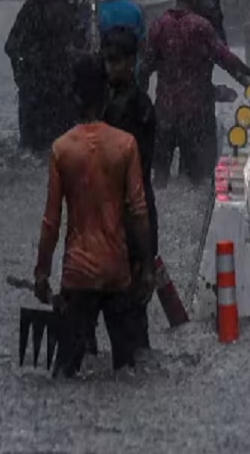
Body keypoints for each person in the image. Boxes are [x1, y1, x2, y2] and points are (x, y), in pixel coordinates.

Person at [33, 56, 155, 378]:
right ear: (105, 93)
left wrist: (42, 273)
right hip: (117, 271)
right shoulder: (125, 145)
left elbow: (51, 221)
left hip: (78, 275)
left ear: (74, 96)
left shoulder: (62, 149)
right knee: (128, 371)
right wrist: (145, 266)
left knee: (65, 373)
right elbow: (139, 211)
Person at [140, 0, 250, 187]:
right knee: (197, 182)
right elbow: (226, 60)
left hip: (164, 116)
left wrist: (142, 108)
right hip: (196, 117)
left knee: (159, 181)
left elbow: (144, 69)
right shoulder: (200, 27)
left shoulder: (159, 26)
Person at [101, 27, 158, 351]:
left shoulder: (141, 108)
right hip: (108, 219)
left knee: (135, 309)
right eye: (107, 61)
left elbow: (138, 175)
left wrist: (147, 260)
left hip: (135, 215)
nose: (111, 68)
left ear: (132, 62)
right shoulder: (101, 103)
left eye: (117, 61)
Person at [5, 0, 79, 150]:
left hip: (59, 89)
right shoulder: (32, 9)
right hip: (39, 89)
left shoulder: (71, 10)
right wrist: (22, 74)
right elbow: (12, 45)